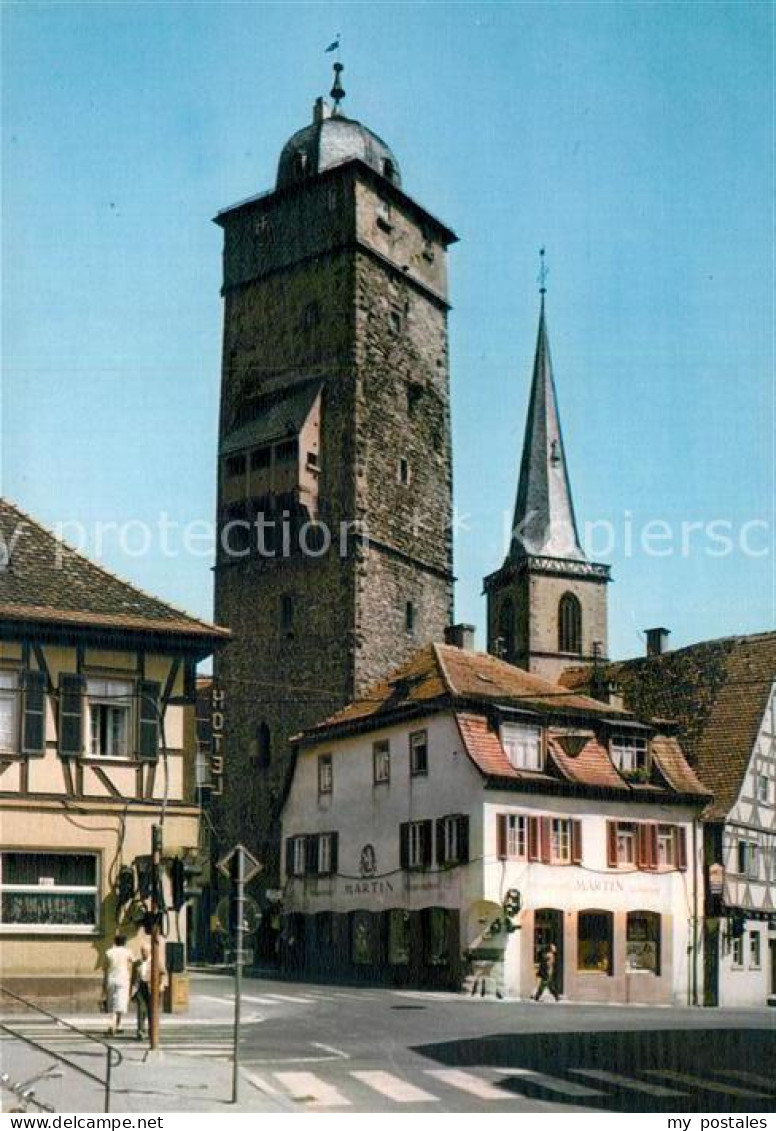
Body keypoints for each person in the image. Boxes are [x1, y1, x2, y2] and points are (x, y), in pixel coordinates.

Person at [131, 942, 167, 1040]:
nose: (143, 953)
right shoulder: (138, 963)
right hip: (141, 988)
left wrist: (161, 985)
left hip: (152, 988)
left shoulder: (156, 961)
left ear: (150, 951)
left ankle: (153, 1032)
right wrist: (132, 990)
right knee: (141, 1010)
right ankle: (140, 1031)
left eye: (145, 951)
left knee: (152, 1011)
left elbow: (163, 973)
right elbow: (133, 977)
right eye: (142, 951)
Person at [103, 934, 133, 1035]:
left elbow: (105, 968)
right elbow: (134, 961)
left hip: (112, 978)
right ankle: (116, 1024)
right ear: (124, 942)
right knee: (121, 1002)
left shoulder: (109, 952)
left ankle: (115, 1023)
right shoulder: (127, 952)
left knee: (112, 1003)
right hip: (123, 979)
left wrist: (104, 983)